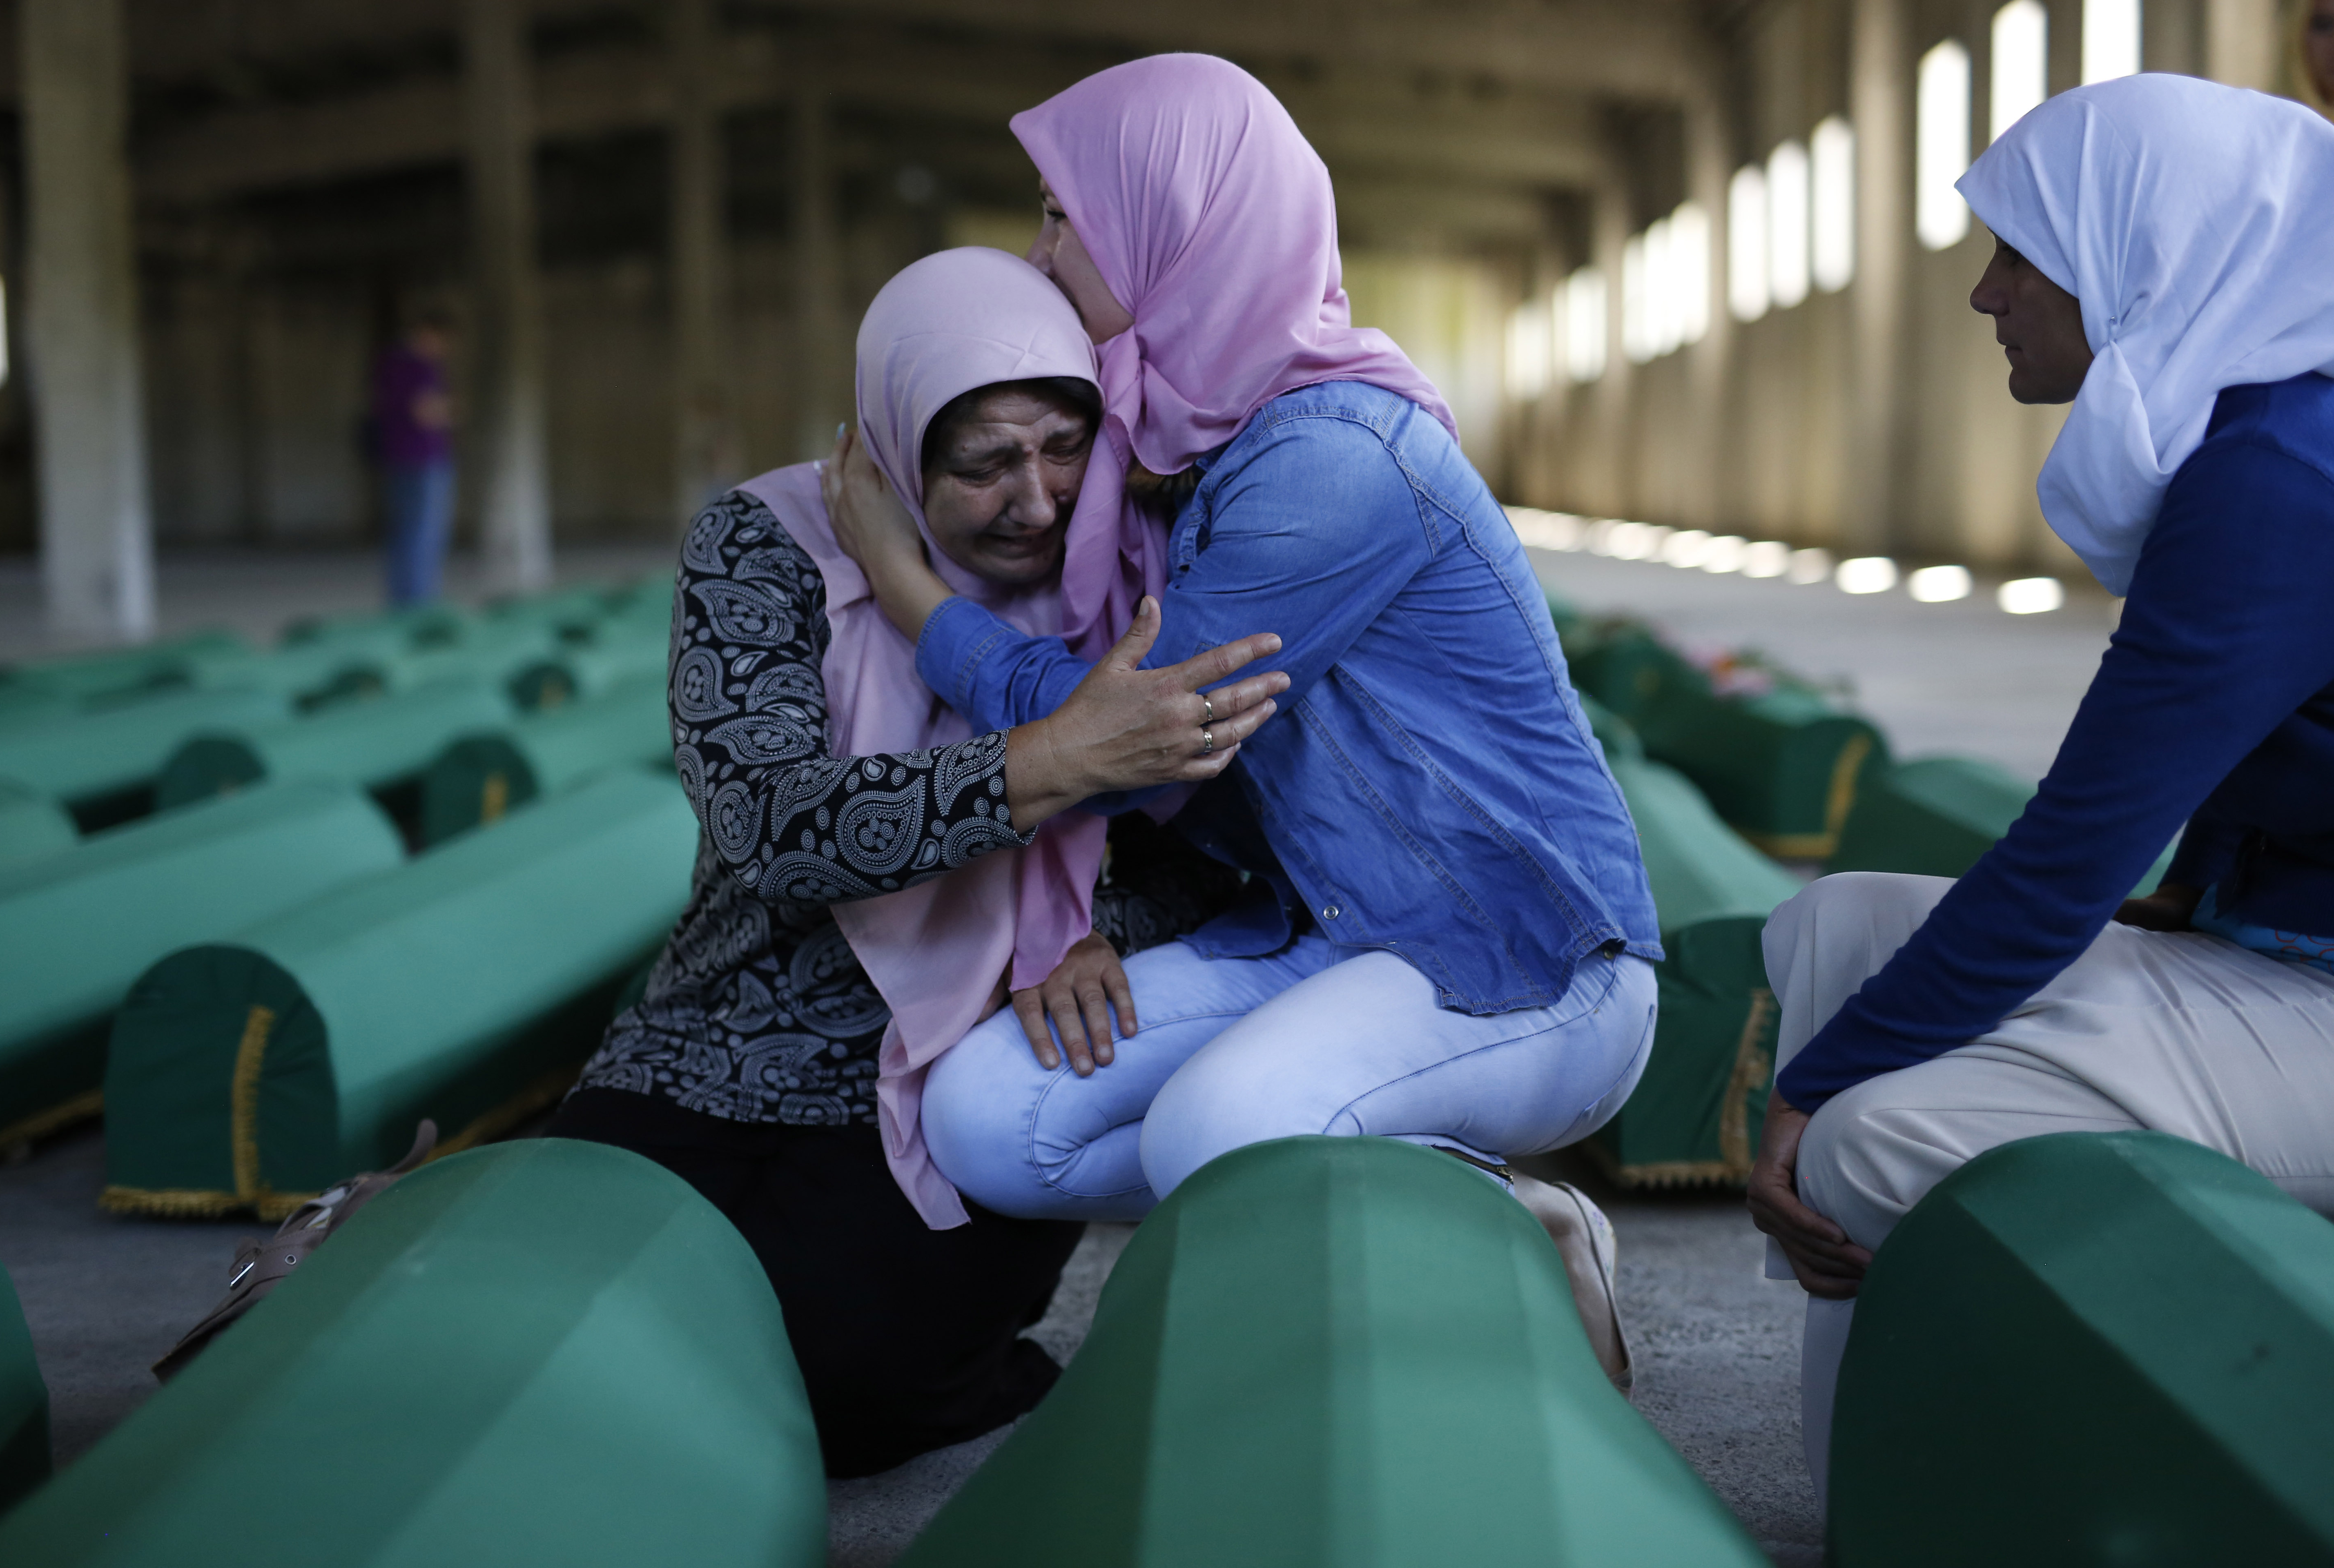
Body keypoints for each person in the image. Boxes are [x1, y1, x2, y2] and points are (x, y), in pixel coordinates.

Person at [823, 53, 1656, 1390]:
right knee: (988, 1120)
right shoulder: (1179, 452)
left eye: (1059, 216)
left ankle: (1515, 1232)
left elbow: (1115, 737)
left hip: (1526, 958)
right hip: (1324, 931)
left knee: (1215, 1129)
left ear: (1176, 225)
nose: (1037, 253)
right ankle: (1400, 1198)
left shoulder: (1332, 462)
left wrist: (910, 585)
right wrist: (1076, 923)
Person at [551, 246, 1282, 1476]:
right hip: (723, 1031)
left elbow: (1231, 849)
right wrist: (1052, 758)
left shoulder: (1145, 569)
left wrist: (1098, 921)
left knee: (850, 1384)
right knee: (560, 1298)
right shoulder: (762, 545)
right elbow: (771, 825)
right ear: (898, 445)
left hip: (971, 1054)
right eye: (985, 460)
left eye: (1063, 446)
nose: (1039, 500)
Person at [1744, 74, 2334, 1503]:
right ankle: (1860, 1494)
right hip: (2287, 946)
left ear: (2144, 252)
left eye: (2021, 252)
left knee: (1874, 1139)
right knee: (1837, 927)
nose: (1984, 293)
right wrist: (2196, 888)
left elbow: (2068, 854)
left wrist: (1806, 1104)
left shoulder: (2280, 479)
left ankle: (1926, 1471)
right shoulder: (2264, 436)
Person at [371, 314, 457, 605]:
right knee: (425, 533)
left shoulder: (388, 363)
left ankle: (401, 600)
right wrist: (450, 410)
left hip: (396, 458)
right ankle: (421, 602)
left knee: (404, 532)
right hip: (425, 459)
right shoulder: (422, 368)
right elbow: (427, 414)